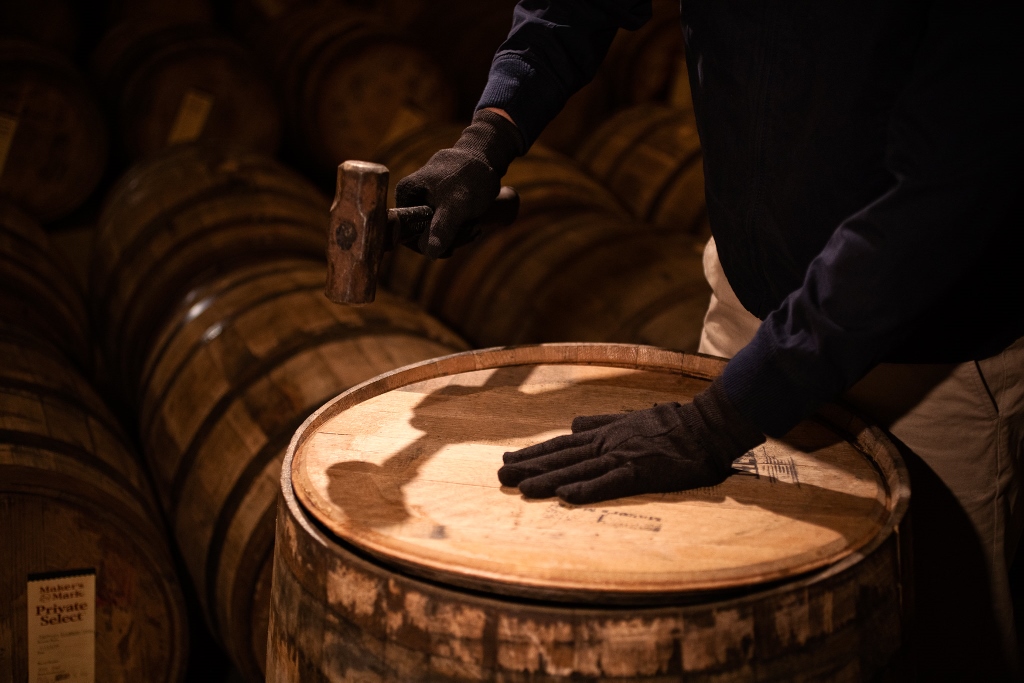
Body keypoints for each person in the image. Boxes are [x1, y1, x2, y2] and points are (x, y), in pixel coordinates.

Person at [395, 0, 1022, 677]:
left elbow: (941, 197)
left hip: (927, 358)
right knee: (742, 645)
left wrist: (716, 423)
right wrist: (493, 131)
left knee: (938, 647)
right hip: (747, 310)